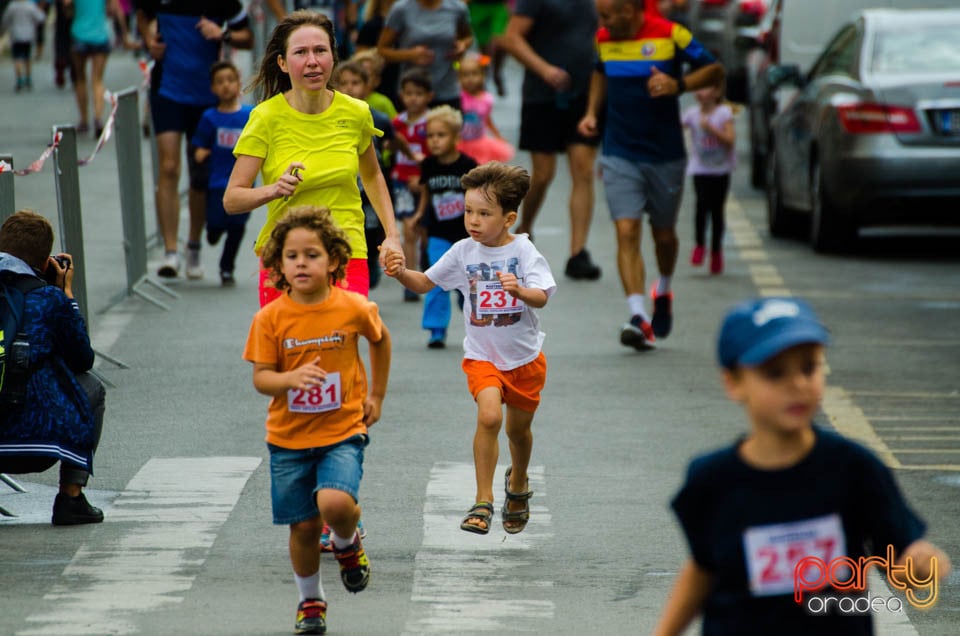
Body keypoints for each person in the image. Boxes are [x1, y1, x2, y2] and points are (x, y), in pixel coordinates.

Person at [653, 296, 952, 635]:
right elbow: (703, 568)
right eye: (774, 373)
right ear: (733, 383)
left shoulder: (853, 468)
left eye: (809, 367)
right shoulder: (712, 479)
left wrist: (920, 564)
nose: (796, 384)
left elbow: (897, 556)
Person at [383, 162, 556, 535]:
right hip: (482, 357)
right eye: (468, 211)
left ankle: (519, 481)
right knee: (490, 417)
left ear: (508, 218)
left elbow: (541, 296)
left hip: (525, 359)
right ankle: (483, 500)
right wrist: (399, 272)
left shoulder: (525, 252)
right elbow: (425, 283)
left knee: (519, 434)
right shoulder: (464, 252)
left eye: (484, 214)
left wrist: (520, 291)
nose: (473, 221)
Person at [243, 206, 391, 635]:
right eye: (292, 256)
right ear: (278, 265)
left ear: (334, 261)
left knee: (334, 503)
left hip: (343, 429)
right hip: (288, 438)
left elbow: (380, 340)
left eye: (312, 254)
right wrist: (290, 378)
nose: (302, 263)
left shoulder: (351, 307)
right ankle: (311, 599)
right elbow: (262, 379)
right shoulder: (270, 319)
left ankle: (347, 542)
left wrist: (376, 394)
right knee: (305, 526)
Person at [223, 10, 402, 306]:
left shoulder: (356, 112)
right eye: (300, 52)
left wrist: (392, 235)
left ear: (333, 57)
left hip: (346, 249)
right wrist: (274, 189)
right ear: (282, 63)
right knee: (288, 348)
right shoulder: (265, 118)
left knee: (341, 342)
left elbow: (372, 175)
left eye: (321, 51)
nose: (312, 61)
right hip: (286, 254)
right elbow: (232, 199)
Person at [577, 0, 723, 350]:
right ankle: (638, 316)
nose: (602, 21)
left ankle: (665, 288)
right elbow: (600, 71)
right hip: (619, 151)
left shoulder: (672, 34)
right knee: (626, 230)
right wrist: (591, 112)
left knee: (664, 236)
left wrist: (678, 85)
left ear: (630, 9)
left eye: (608, 14)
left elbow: (715, 70)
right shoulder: (603, 38)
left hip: (664, 154)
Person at [0, 210, 106, 526]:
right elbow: (82, 360)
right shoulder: (49, 299)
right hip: (38, 442)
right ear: (47, 263)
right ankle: (70, 497)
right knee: (91, 387)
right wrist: (66, 294)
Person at [135, 0, 253, 279]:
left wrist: (222, 33)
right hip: (168, 90)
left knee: (199, 172)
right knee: (169, 167)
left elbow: (247, 37)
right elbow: (142, 13)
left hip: (206, 95)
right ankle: (171, 251)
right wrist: (149, 40)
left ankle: (194, 246)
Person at [500, 0, 602, 281]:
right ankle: (525, 230)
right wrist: (544, 70)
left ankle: (577, 253)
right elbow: (511, 38)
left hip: (583, 95)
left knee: (583, 171)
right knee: (543, 175)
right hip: (542, 95)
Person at [413, 105, 476, 348]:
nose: (435, 141)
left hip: (466, 234)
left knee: (469, 283)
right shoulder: (429, 165)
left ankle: (471, 313)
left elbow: (478, 196)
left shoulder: (467, 165)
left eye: (441, 135)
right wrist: (419, 215)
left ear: (456, 137)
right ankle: (436, 329)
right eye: (430, 136)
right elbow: (426, 193)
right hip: (438, 233)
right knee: (437, 279)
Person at [191, 60, 254, 287]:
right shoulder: (210, 117)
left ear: (239, 83)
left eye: (230, 80)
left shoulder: (250, 115)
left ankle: (227, 268)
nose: (226, 86)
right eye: (220, 82)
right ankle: (213, 231)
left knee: (237, 227)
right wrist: (201, 153)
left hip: (245, 185)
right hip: (217, 183)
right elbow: (200, 146)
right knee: (216, 224)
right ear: (213, 88)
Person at [376, 0, 473, 110]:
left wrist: (463, 45)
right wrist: (410, 55)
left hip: (447, 89)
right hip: (412, 92)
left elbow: (468, 37)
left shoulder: (457, 7)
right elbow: (382, 50)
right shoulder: (401, 8)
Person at [681, 77, 735, 275]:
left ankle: (716, 251)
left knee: (717, 210)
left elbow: (730, 140)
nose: (700, 93)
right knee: (701, 206)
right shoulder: (692, 114)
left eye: (705, 87)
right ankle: (699, 245)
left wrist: (711, 129)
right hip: (700, 168)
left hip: (721, 170)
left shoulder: (724, 113)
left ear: (716, 92)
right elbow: (676, 126)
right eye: (697, 88)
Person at [390, 67, 432, 301]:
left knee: (425, 230)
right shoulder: (397, 123)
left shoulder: (432, 123)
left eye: (418, 93)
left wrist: (424, 177)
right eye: (408, 93)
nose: (413, 98)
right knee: (408, 229)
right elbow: (390, 147)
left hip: (425, 184)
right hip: (402, 182)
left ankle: (427, 264)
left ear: (429, 96)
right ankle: (410, 279)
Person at [65, 0, 134, 137]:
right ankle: (98, 118)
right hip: (100, 35)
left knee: (80, 79)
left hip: (79, 34)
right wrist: (125, 35)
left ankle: (84, 120)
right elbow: (116, 9)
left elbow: (66, 5)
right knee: (97, 80)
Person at [456, 51, 513, 165]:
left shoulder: (487, 99)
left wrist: (497, 136)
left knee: (479, 170)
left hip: (479, 141)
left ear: (482, 75)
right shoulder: (458, 97)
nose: (470, 78)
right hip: (460, 142)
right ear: (459, 77)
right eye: (465, 75)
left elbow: (486, 119)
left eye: (474, 74)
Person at [465, 0, 509, 96]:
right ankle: (483, 76)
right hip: (477, 7)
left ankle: (496, 71)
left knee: (499, 43)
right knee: (484, 50)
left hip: (497, 6)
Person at [2, 0, 46, 91]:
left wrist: (7, 28)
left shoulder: (12, 6)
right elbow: (41, 18)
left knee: (17, 58)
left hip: (16, 35)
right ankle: (28, 77)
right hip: (28, 35)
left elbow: (5, 20)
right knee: (27, 57)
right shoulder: (30, 6)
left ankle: (19, 79)